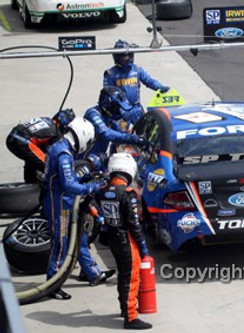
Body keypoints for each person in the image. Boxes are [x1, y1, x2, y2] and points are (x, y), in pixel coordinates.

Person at [42, 118, 108, 300]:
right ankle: (52, 284)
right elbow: (68, 184)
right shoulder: (64, 153)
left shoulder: (60, 147)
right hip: (59, 203)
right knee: (61, 242)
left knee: (79, 237)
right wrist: (91, 187)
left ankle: (92, 273)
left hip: (63, 200)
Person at [94, 152, 152, 330]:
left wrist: (99, 218)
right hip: (126, 240)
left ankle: (124, 308)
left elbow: (90, 205)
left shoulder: (102, 191)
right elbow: (134, 225)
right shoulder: (128, 194)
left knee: (123, 275)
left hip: (112, 237)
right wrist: (143, 249)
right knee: (131, 278)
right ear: (128, 171)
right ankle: (130, 317)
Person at [103, 39, 170, 124]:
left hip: (136, 109)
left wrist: (159, 86)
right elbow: (108, 95)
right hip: (120, 112)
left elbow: (149, 80)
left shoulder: (137, 69)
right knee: (122, 136)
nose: (126, 58)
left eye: (128, 55)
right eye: (124, 56)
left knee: (144, 132)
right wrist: (120, 109)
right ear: (117, 57)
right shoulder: (110, 74)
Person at [6, 108, 75, 183]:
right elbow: (55, 153)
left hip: (12, 137)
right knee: (49, 166)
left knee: (32, 159)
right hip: (23, 143)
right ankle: (49, 190)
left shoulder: (46, 119)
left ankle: (30, 184)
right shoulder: (56, 133)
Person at [83, 86, 149, 158]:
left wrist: (138, 139)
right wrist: (132, 138)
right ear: (106, 104)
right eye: (117, 107)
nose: (119, 111)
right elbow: (105, 133)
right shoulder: (93, 114)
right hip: (84, 160)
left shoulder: (108, 118)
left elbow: (120, 134)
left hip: (98, 158)